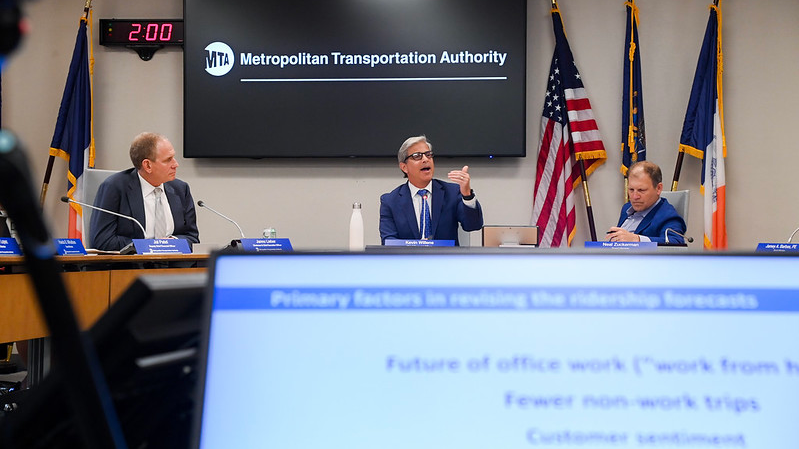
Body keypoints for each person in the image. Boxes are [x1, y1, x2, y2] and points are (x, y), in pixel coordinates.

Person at [90, 132, 199, 251]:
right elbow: (102, 240)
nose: (176, 164)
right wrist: (151, 246)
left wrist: (173, 243)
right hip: (133, 267)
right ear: (147, 165)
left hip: (174, 266)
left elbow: (193, 238)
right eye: (168, 160)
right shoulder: (114, 188)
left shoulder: (181, 189)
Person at [379, 135, 483, 245]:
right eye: (417, 156)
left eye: (428, 155)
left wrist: (467, 194)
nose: (425, 159)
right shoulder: (390, 201)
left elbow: (473, 225)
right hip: (409, 261)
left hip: (445, 260)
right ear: (404, 167)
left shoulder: (452, 193)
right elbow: (388, 241)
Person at [607, 160, 686, 244]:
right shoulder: (626, 208)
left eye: (641, 190)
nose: (634, 197)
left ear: (658, 188)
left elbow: (676, 243)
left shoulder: (668, 216)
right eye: (631, 190)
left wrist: (637, 239)